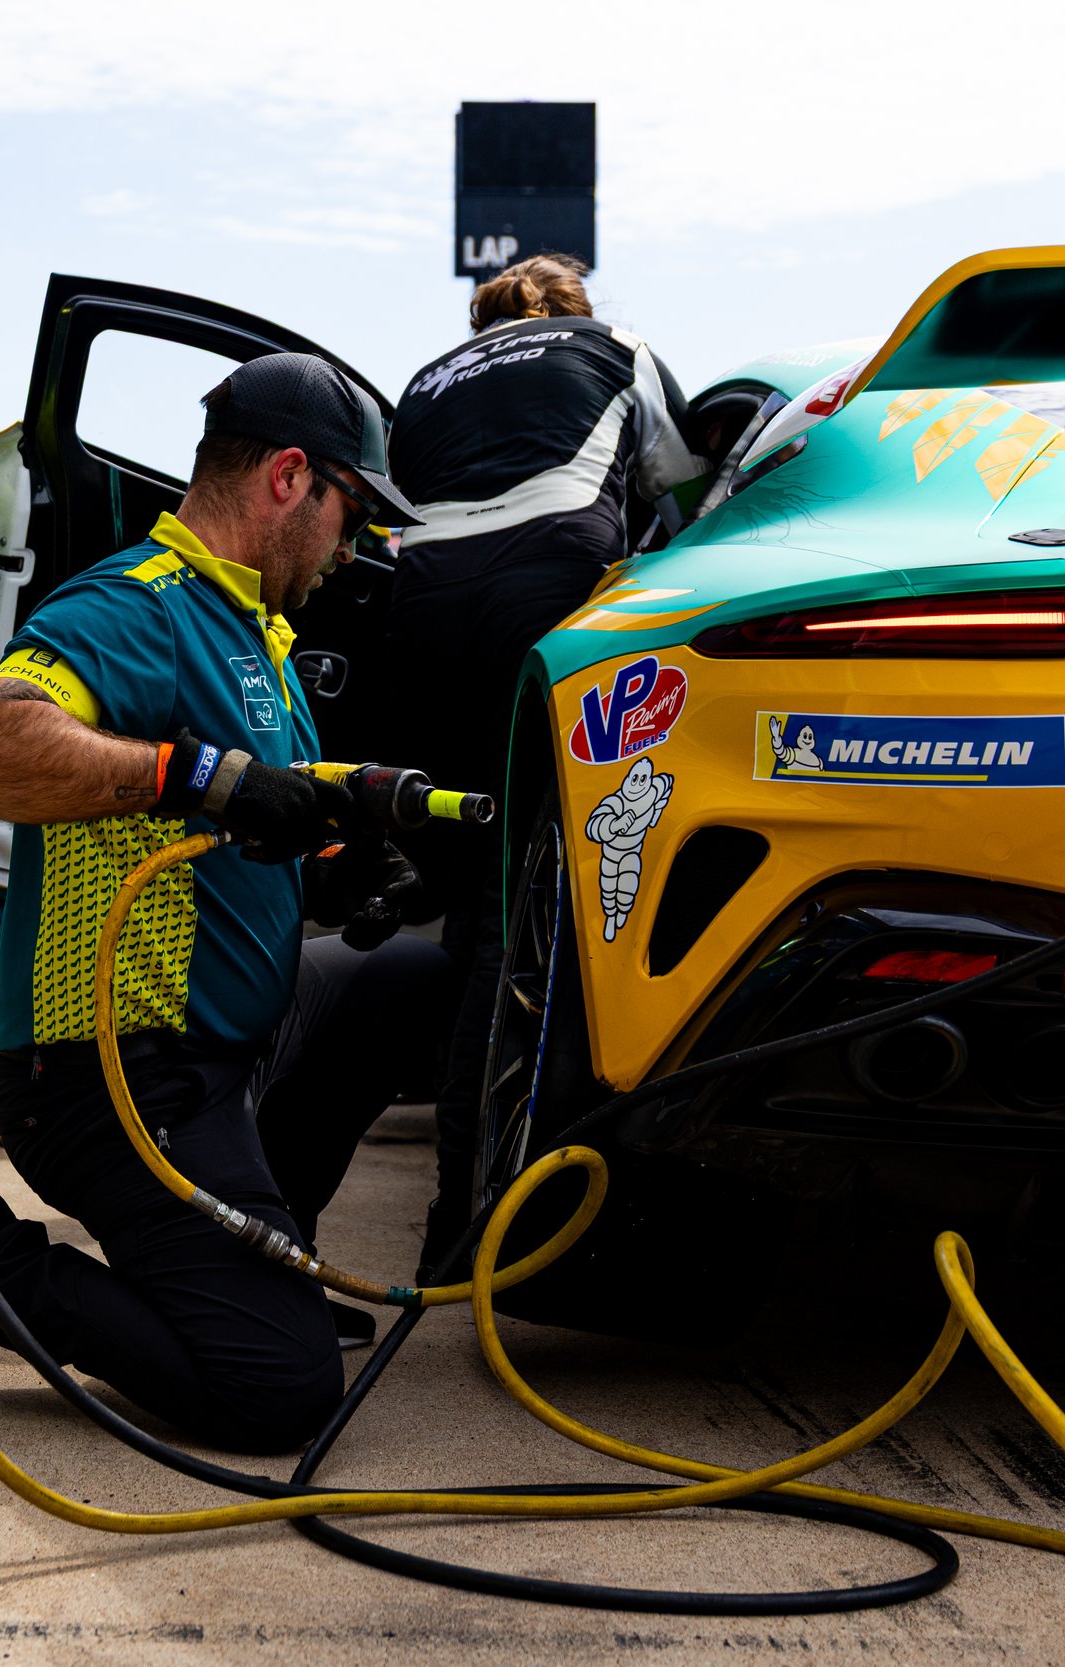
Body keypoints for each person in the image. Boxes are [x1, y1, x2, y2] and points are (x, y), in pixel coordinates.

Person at [0, 353, 452, 1454]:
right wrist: (195, 775)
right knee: (279, 1394)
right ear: (288, 477)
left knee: (412, 980)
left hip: (226, 1043)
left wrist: (327, 879)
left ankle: (266, 1250)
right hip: (113, 1072)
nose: (351, 547)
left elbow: (213, 846)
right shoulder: (141, 606)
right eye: (350, 512)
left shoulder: (257, 637)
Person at [380, 254, 708, 1273]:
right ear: (576, 309)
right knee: (517, 908)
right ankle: (464, 1214)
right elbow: (690, 499)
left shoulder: (424, 379)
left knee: (468, 892)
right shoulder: (619, 351)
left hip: (417, 611)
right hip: (546, 591)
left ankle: (445, 1171)